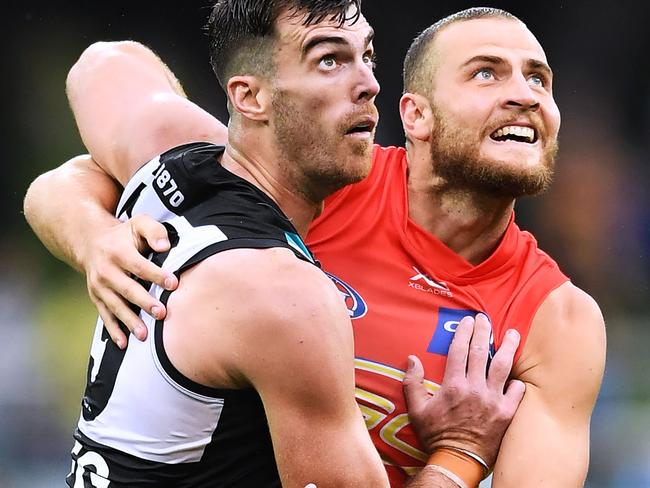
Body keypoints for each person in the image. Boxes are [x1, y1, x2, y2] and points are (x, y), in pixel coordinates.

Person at [26, 4, 606, 488]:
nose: (524, 95)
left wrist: (95, 226)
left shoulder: (557, 322)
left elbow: (103, 156)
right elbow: (97, 109)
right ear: (416, 114)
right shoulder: (318, 185)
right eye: (486, 73)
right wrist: (459, 457)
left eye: (539, 78)